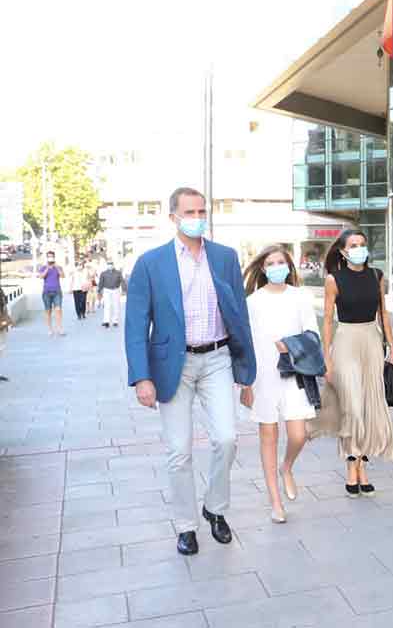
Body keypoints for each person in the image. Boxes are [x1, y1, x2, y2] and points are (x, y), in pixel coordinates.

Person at [124, 187, 256, 557]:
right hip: (173, 365)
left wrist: (246, 373)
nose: (198, 217)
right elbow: (136, 325)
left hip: (217, 358)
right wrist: (141, 377)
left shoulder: (225, 257)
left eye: (202, 211)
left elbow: (239, 317)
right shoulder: (151, 263)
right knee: (179, 451)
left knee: (227, 439)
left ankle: (215, 508)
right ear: (173, 218)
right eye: (190, 212)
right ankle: (185, 525)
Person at [309, 230, 393, 495]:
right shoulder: (333, 280)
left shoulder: (376, 276)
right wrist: (326, 357)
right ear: (343, 251)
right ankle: (351, 464)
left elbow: (383, 314)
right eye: (353, 245)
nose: (359, 248)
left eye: (362, 244)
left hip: (371, 340)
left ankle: (363, 465)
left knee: (370, 406)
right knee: (353, 407)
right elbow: (327, 320)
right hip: (346, 341)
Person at [242, 245, 318, 524]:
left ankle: (287, 467)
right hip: (263, 376)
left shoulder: (300, 297)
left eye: (281, 262)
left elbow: (313, 335)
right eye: (271, 263)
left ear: (289, 266)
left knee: (298, 435)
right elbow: (246, 344)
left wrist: (291, 345)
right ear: (263, 268)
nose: (276, 267)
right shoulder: (252, 302)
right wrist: (245, 383)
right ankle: (275, 502)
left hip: (294, 372)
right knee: (269, 437)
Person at [38, 251, 65, 336]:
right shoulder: (43, 267)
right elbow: (41, 276)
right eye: (49, 257)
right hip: (46, 292)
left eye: (52, 256)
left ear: (54, 257)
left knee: (58, 310)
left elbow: (63, 276)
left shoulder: (58, 267)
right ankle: (50, 329)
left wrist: (56, 267)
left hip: (57, 291)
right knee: (48, 311)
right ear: (47, 258)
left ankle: (60, 328)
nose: (50, 258)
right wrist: (47, 268)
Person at [97, 261, 125, 328]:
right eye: (109, 264)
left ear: (113, 265)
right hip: (107, 290)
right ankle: (106, 321)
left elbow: (122, 281)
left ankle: (115, 321)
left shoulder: (118, 273)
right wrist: (99, 290)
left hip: (116, 290)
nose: (110, 266)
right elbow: (101, 283)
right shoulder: (103, 273)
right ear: (107, 265)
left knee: (116, 305)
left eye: (111, 264)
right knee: (107, 305)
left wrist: (124, 290)